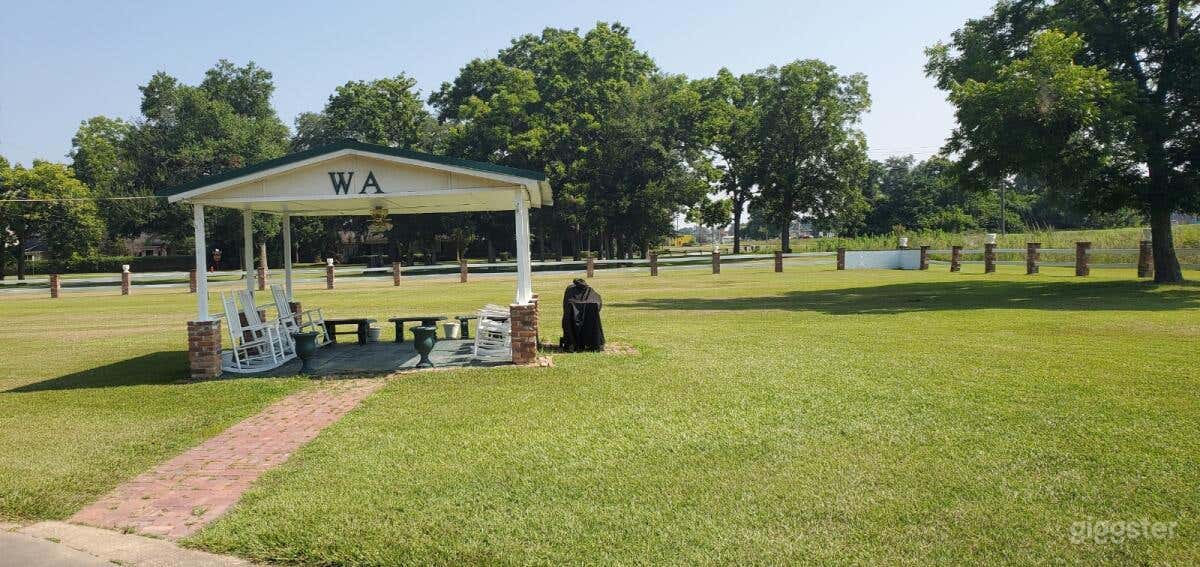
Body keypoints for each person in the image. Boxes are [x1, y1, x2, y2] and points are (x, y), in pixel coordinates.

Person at [561, 278, 604, 351]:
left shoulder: (570, 290)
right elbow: (598, 303)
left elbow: (566, 305)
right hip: (589, 322)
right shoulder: (590, 290)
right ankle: (593, 343)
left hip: (572, 319)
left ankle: (572, 344)